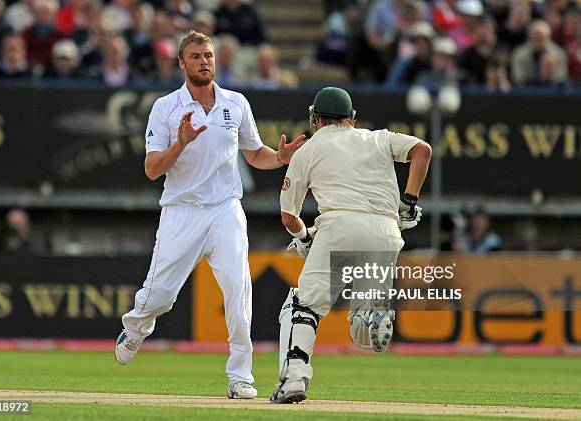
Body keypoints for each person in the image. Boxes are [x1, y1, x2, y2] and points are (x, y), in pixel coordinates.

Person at [114, 30, 306, 400]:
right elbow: (153, 169)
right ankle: (136, 328)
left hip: (225, 209)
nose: (204, 61)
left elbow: (254, 154)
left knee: (238, 288)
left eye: (209, 55)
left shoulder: (236, 103)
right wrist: (181, 142)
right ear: (182, 63)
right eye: (197, 56)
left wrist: (280, 158)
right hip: (181, 210)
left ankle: (240, 376)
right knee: (161, 297)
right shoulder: (166, 107)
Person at [270, 87, 431, 404]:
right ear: (352, 118)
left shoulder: (308, 150)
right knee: (360, 330)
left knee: (303, 307)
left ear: (315, 118)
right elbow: (422, 150)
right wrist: (408, 202)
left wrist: (304, 239)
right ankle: (372, 311)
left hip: (339, 227)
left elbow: (289, 216)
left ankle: (293, 382)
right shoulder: (378, 137)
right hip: (387, 231)